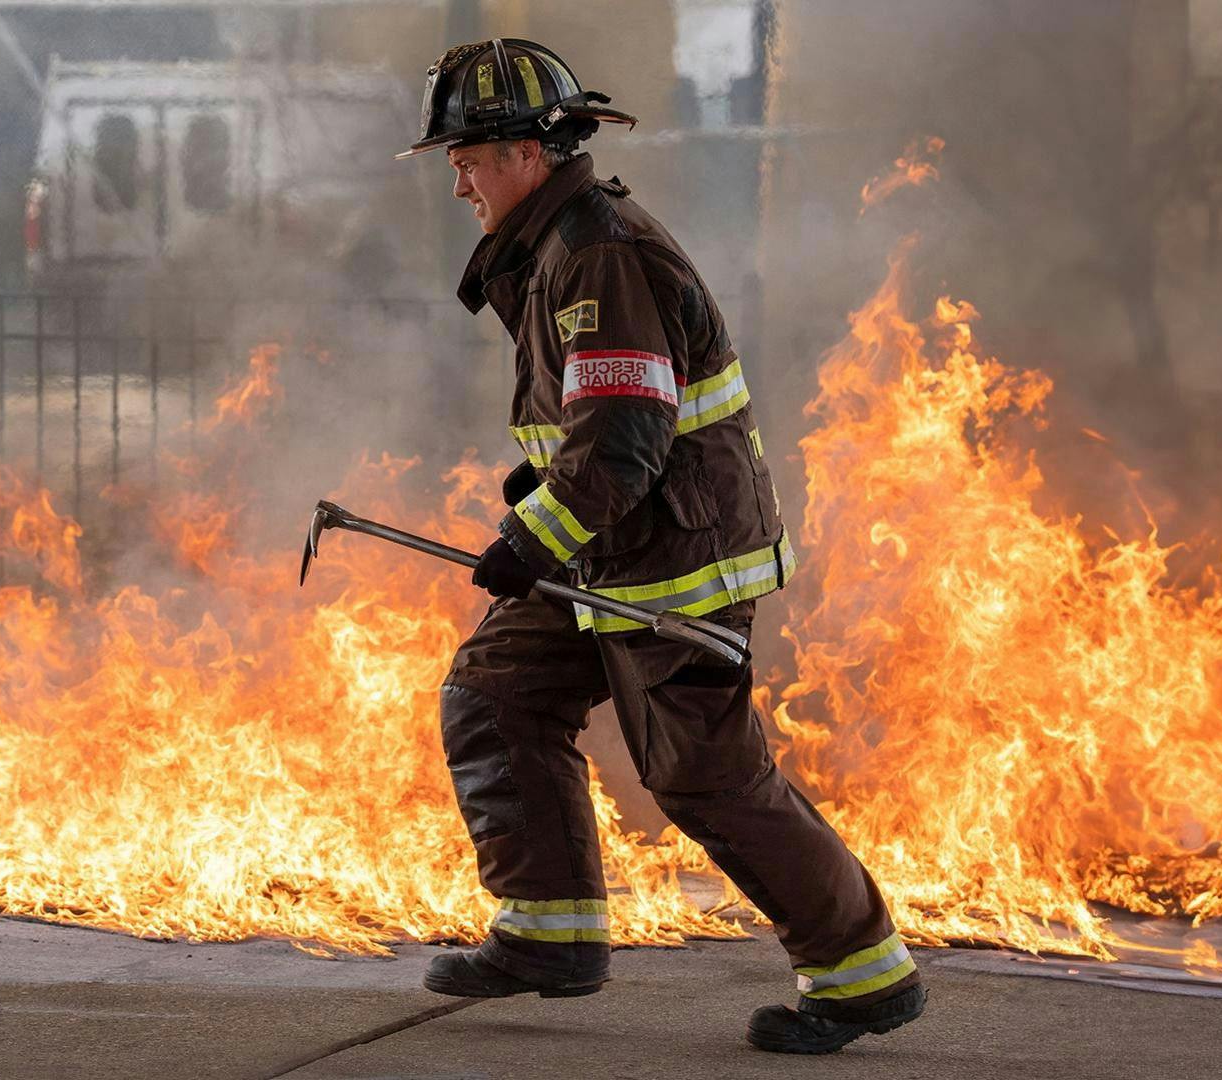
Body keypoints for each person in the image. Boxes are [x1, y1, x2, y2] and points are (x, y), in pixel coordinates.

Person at [397, 38, 926, 1055]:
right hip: (607, 549)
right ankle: (549, 935)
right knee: (496, 691)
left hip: (672, 565)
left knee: (701, 776)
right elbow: (603, 425)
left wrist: (532, 534)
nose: (457, 180)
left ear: (526, 152)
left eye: (467, 154)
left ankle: (862, 971)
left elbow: (625, 439)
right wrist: (542, 506)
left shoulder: (601, 255)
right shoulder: (556, 248)